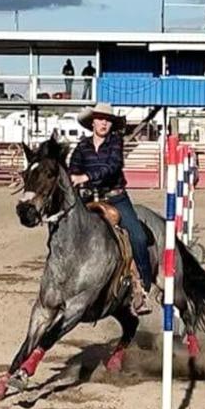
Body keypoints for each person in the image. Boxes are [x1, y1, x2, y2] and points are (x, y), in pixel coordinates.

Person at [70, 103, 152, 315]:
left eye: (107, 120)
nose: (104, 123)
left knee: (138, 237)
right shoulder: (81, 147)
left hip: (116, 199)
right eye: (100, 118)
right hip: (89, 200)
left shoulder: (115, 142)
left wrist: (85, 177)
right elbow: (73, 170)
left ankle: (142, 286)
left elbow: (113, 166)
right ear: (92, 122)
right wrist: (73, 177)